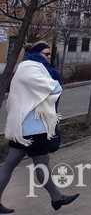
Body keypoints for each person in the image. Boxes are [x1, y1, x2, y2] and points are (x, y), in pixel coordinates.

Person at [0, 42, 80, 213]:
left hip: (22, 129)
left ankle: (57, 198)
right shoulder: (30, 69)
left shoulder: (28, 68)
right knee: (42, 164)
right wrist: (55, 82)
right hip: (33, 129)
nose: (49, 57)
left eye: (50, 54)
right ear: (36, 53)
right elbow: (53, 88)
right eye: (46, 54)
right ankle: (57, 198)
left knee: (10, 164)